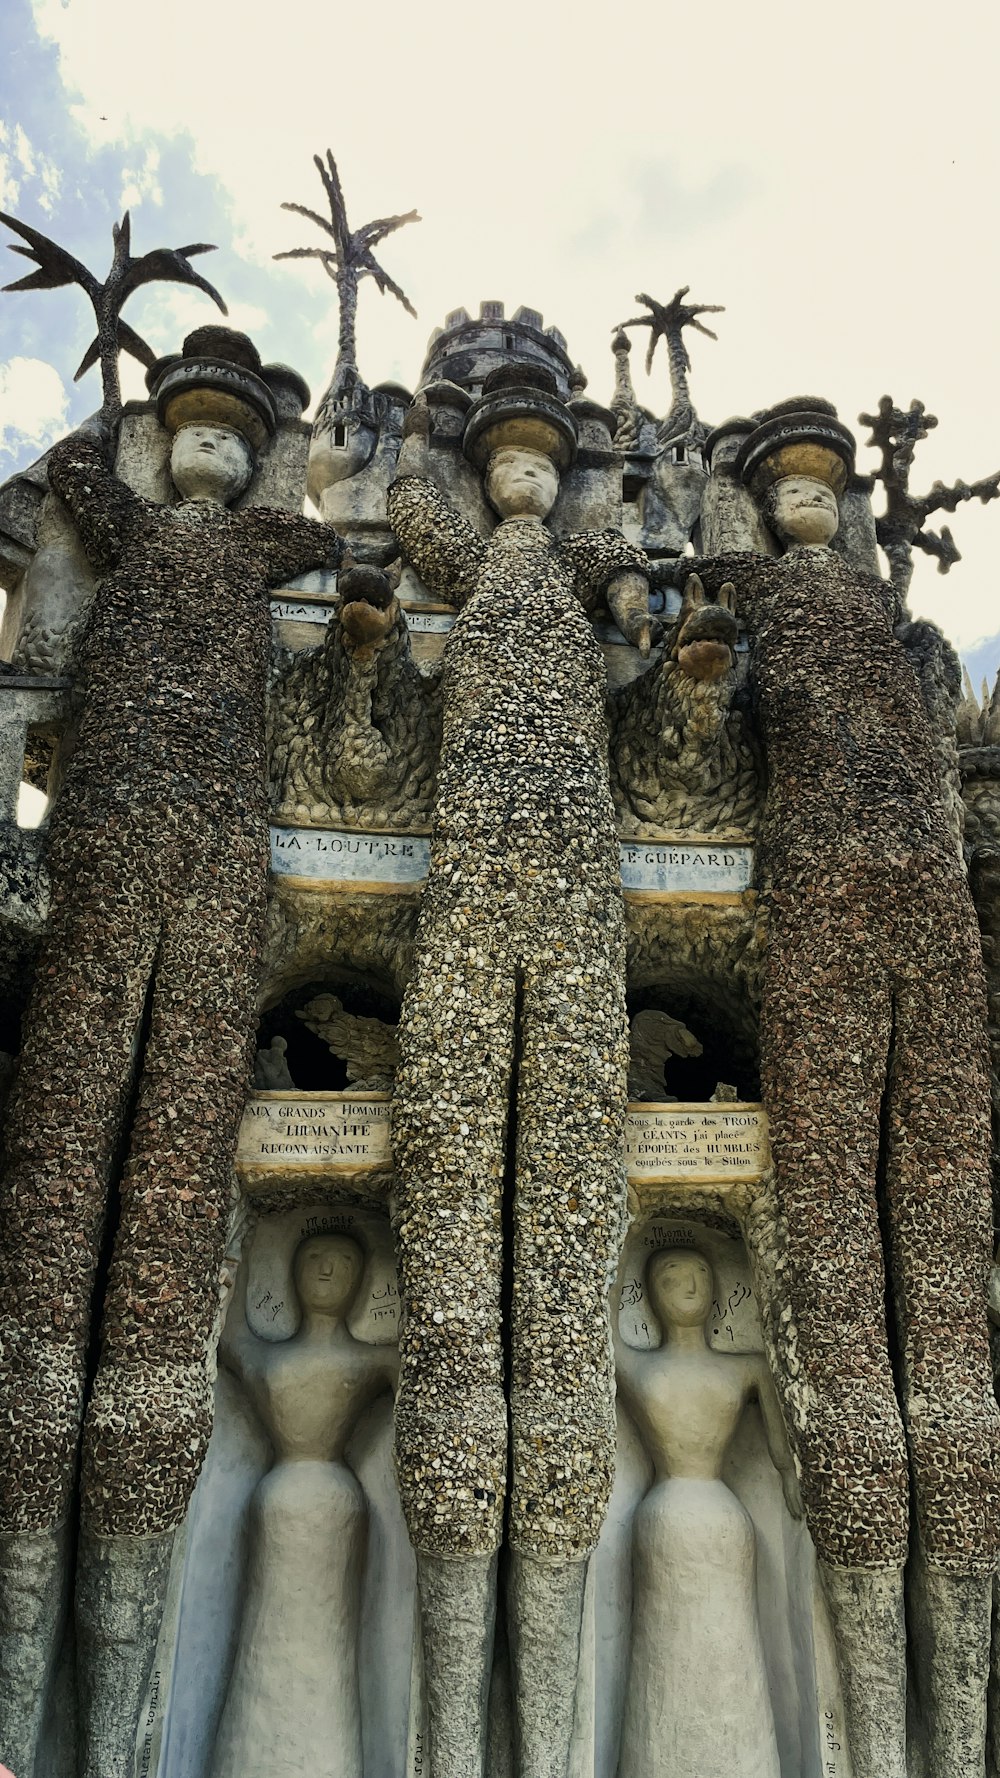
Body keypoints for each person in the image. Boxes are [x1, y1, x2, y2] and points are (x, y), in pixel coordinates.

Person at [0, 326, 344, 1778]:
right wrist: (112, 395)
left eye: (228, 436)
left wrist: (319, 458)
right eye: (189, 433)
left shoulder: (264, 537)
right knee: (69, 1145)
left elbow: (325, 535)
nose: (207, 452)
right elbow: (73, 478)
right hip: (110, 833)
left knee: (170, 1178)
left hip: (216, 855)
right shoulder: (139, 527)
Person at [686, 400, 1000, 1778]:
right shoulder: (747, 592)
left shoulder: (898, 632)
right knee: (840, 1284)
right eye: (787, 487)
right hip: (811, 907)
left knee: (942, 1294)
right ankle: (878, 1736)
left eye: (826, 486)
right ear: (757, 505)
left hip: (922, 911)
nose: (809, 505)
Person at [385, 364, 652, 1778]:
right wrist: (417, 420)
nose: (526, 483)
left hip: (577, 880)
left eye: (545, 465)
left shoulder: (575, 551)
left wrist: (631, 585)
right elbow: (391, 508)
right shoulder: (470, 548)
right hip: (473, 867)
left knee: (562, 1193)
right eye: (511, 464)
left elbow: (628, 574)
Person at [212, 1233, 397, 1778]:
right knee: (264, 1641)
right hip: (277, 1506)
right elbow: (228, 1334)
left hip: (335, 1510)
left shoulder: (371, 1360)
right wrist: (226, 1255)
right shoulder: (263, 1355)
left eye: (343, 1262)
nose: (327, 1271)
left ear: (362, 1279)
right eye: (315, 1258)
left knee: (327, 1652)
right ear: (292, 1272)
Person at [612, 1246, 799, 1778]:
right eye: (672, 1276)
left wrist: (791, 1477)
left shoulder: (748, 1369)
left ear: (718, 1289)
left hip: (722, 1524)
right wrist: (615, 1227)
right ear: (649, 1293)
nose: (689, 1286)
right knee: (665, 1661)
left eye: (700, 1274)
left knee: (729, 1651)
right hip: (666, 1520)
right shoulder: (640, 1367)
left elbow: (786, 1456)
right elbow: (599, 1328)